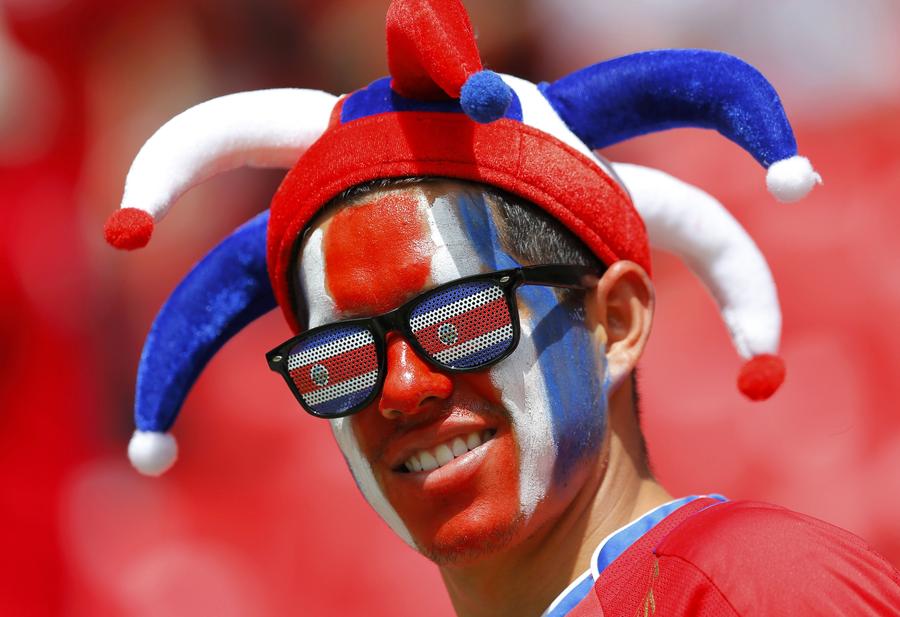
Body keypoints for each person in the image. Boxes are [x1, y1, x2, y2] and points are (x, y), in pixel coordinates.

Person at [103, 0, 900, 614]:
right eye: (342, 355)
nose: (403, 386)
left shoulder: (749, 582)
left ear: (615, 321)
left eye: (461, 317)